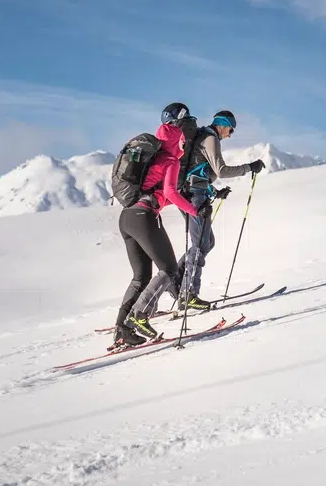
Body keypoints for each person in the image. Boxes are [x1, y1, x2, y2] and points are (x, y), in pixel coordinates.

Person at [113, 102, 202, 347]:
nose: (185, 142)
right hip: (144, 217)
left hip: (127, 217)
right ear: (178, 137)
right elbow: (171, 193)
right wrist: (195, 210)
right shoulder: (170, 159)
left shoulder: (154, 155)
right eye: (183, 138)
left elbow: (160, 195)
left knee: (140, 277)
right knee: (170, 269)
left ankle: (121, 330)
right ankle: (140, 316)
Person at [175, 110, 265, 310]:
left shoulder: (204, 137)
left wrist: (214, 191)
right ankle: (187, 293)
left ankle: (177, 282)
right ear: (223, 124)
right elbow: (221, 170)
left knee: (207, 242)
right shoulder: (210, 138)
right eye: (231, 129)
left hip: (193, 193)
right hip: (194, 196)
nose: (231, 134)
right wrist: (250, 167)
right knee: (200, 244)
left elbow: (197, 171)